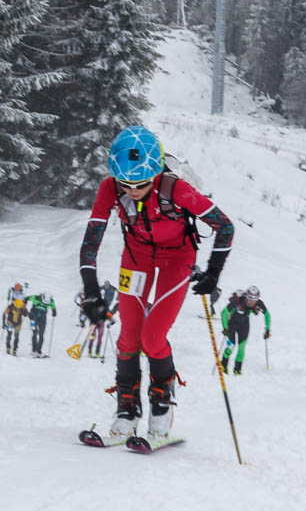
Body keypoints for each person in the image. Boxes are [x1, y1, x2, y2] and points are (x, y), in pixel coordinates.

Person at [79, 126, 234, 441]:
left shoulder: (176, 189)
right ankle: (127, 407)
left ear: (156, 172)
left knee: (152, 337)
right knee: (127, 339)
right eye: (126, 184)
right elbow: (90, 242)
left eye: (140, 184)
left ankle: (162, 401)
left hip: (177, 259)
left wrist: (213, 273)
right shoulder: (110, 188)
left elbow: (225, 227)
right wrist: (92, 293)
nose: (132, 190)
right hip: (136, 258)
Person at [220, 286, 271, 375]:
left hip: (244, 325)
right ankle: (223, 365)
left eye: (254, 300)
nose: (252, 302)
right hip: (231, 325)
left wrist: (267, 330)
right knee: (231, 346)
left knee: (242, 348)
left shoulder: (259, 303)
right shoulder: (239, 301)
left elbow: (267, 315)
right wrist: (225, 327)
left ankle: (237, 369)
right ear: (246, 297)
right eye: (249, 300)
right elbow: (224, 312)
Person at [28, 291, 53, 357]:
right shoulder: (35, 297)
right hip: (33, 317)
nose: (44, 303)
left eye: (46, 303)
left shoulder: (51, 300)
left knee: (41, 335)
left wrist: (54, 311)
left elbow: (53, 305)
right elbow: (26, 298)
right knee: (34, 333)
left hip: (43, 318)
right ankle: (34, 350)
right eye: (44, 302)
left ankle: (39, 351)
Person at [2, 287, 27, 356]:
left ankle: (15, 349)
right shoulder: (10, 306)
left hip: (18, 323)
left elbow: (27, 314)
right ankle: (8, 347)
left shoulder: (22, 306)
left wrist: (27, 315)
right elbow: (4, 314)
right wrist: (3, 323)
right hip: (10, 322)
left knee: (16, 336)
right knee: (9, 335)